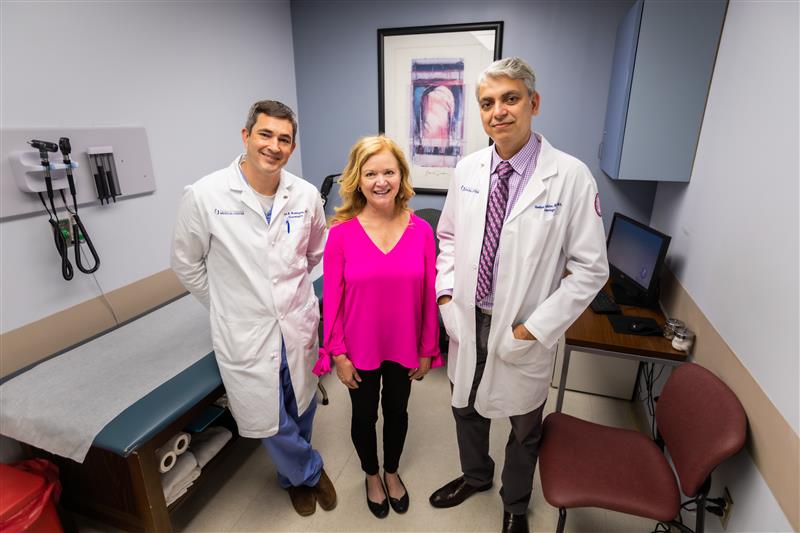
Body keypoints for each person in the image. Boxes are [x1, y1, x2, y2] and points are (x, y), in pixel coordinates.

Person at [429, 58, 609, 533]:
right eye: (488, 103)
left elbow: (591, 269)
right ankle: (475, 476)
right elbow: (446, 239)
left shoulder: (570, 177)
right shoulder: (468, 169)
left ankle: (514, 505)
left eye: (510, 99)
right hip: (468, 317)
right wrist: (446, 298)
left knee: (525, 426)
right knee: (464, 404)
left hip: (525, 323)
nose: (499, 112)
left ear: (534, 102)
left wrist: (534, 328)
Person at [170, 100, 336, 517]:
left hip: (297, 321)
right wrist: (225, 303)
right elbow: (185, 263)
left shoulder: (305, 194)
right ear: (246, 136)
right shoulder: (205, 195)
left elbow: (316, 252)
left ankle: (291, 476)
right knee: (270, 416)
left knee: (302, 403)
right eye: (265, 134)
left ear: (292, 147)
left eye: (284, 139)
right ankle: (309, 471)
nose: (274, 146)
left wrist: (287, 297)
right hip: (244, 331)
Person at [313, 135, 442, 518]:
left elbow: (429, 296)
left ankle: (392, 471)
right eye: (371, 173)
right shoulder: (339, 234)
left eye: (389, 171)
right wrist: (337, 352)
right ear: (358, 178)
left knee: (398, 412)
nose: (380, 181)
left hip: (404, 346)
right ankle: (372, 475)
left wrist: (427, 349)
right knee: (364, 415)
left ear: (402, 177)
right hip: (359, 348)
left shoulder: (421, 231)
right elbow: (332, 301)